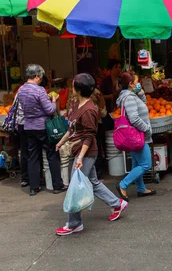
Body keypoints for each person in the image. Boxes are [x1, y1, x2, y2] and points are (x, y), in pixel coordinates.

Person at [54, 73, 127, 236]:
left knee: (75, 186)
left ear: (78, 89)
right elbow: (72, 129)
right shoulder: (75, 105)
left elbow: (89, 136)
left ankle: (74, 223)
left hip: (86, 153)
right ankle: (117, 204)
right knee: (92, 182)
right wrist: (61, 142)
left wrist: (80, 158)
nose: (71, 87)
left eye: (73, 85)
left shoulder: (88, 110)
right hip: (80, 151)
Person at [16, 64, 64, 196]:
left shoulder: (21, 90)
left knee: (33, 157)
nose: (41, 79)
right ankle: (57, 185)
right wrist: (53, 100)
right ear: (36, 76)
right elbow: (49, 109)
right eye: (41, 76)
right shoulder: (39, 90)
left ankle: (34, 187)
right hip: (43, 127)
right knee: (52, 155)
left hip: (28, 126)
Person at [115, 72, 156, 201]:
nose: (139, 83)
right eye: (137, 82)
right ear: (131, 84)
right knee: (146, 164)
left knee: (136, 163)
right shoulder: (129, 98)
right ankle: (123, 184)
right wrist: (146, 129)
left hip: (136, 134)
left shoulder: (132, 95)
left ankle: (141, 188)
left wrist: (141, 93)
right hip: (137, 134)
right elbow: (134, 118)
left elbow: (142, 105)